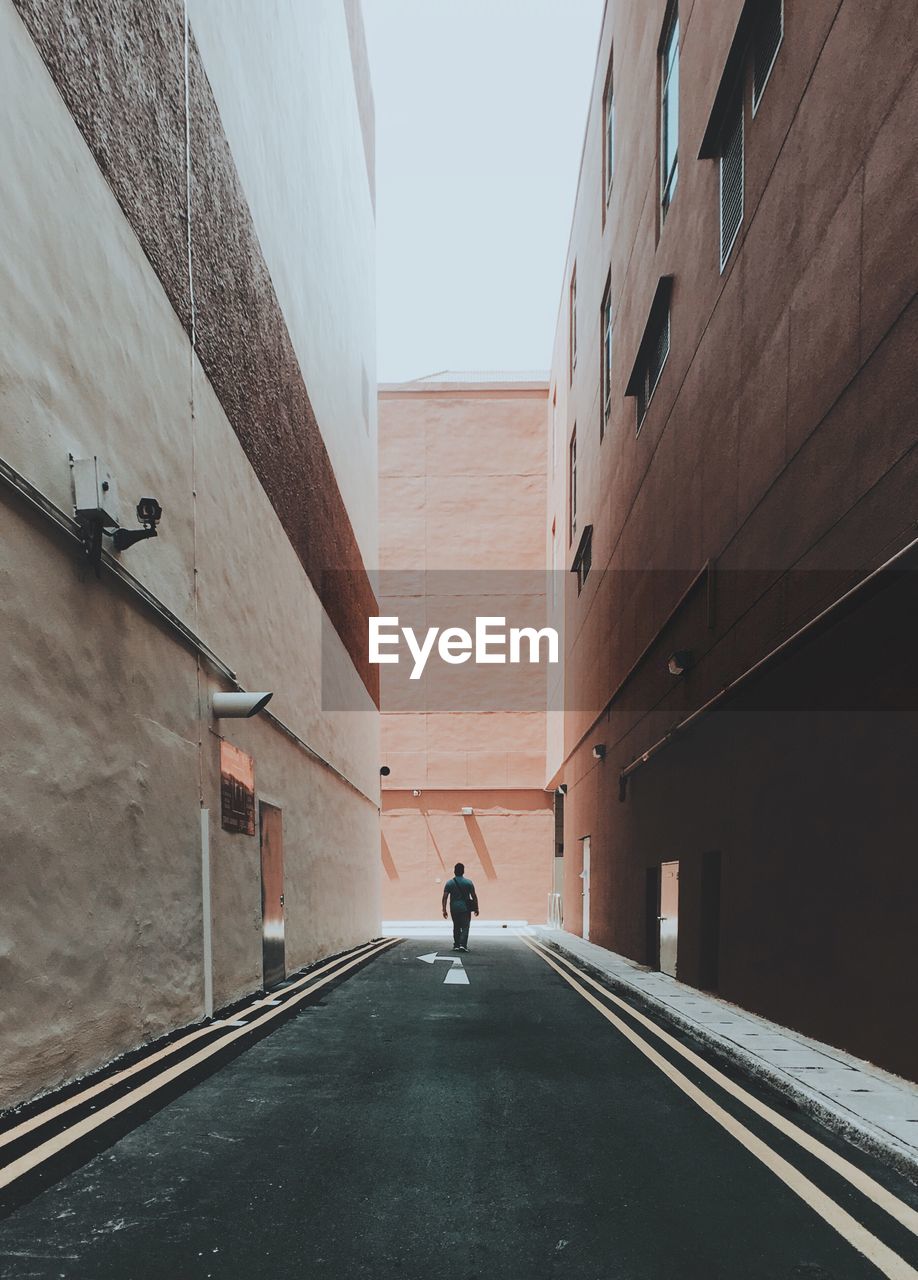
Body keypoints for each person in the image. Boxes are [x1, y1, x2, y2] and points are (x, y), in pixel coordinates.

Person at [441, 862, 479, 952]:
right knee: (465, 926)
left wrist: (444, 910)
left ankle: (456, 945)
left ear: (454, 871)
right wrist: (476, 908)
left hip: (454, 908)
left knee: (456, 926)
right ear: (463, 871)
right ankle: (463, 945)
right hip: (465, 908)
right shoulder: (468, 883)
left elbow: (445, 897)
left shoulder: (449, 883)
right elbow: (474, 896)